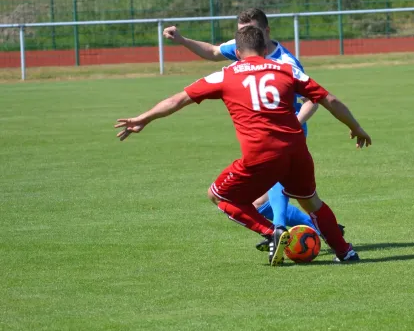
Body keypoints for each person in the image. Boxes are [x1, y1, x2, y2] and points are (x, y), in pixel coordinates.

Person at [115, 25, 371, 266]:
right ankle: (345, 252)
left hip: (260, 154)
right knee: (311, 201)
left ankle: (272, 232)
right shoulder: (286, 69)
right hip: (296, 149)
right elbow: (329, 99)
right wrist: (355, 127)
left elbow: (178, 99)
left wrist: (144, 119)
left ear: (237, 53)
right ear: (264, 48)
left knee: (219, 195)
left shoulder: (225, 75)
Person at [163, 8, 327, 245]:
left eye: (252, 30)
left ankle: (279, 231)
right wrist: (181, 40)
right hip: (259, 138)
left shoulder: (286, 62)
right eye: (242, 32)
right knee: (259, 204)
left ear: (266, 32)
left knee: (275, 187)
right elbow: (212, 51)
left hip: (287, 137)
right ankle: (308, 228)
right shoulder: (243, 46)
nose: (247, 34)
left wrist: (291, 124)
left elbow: (313, 100)